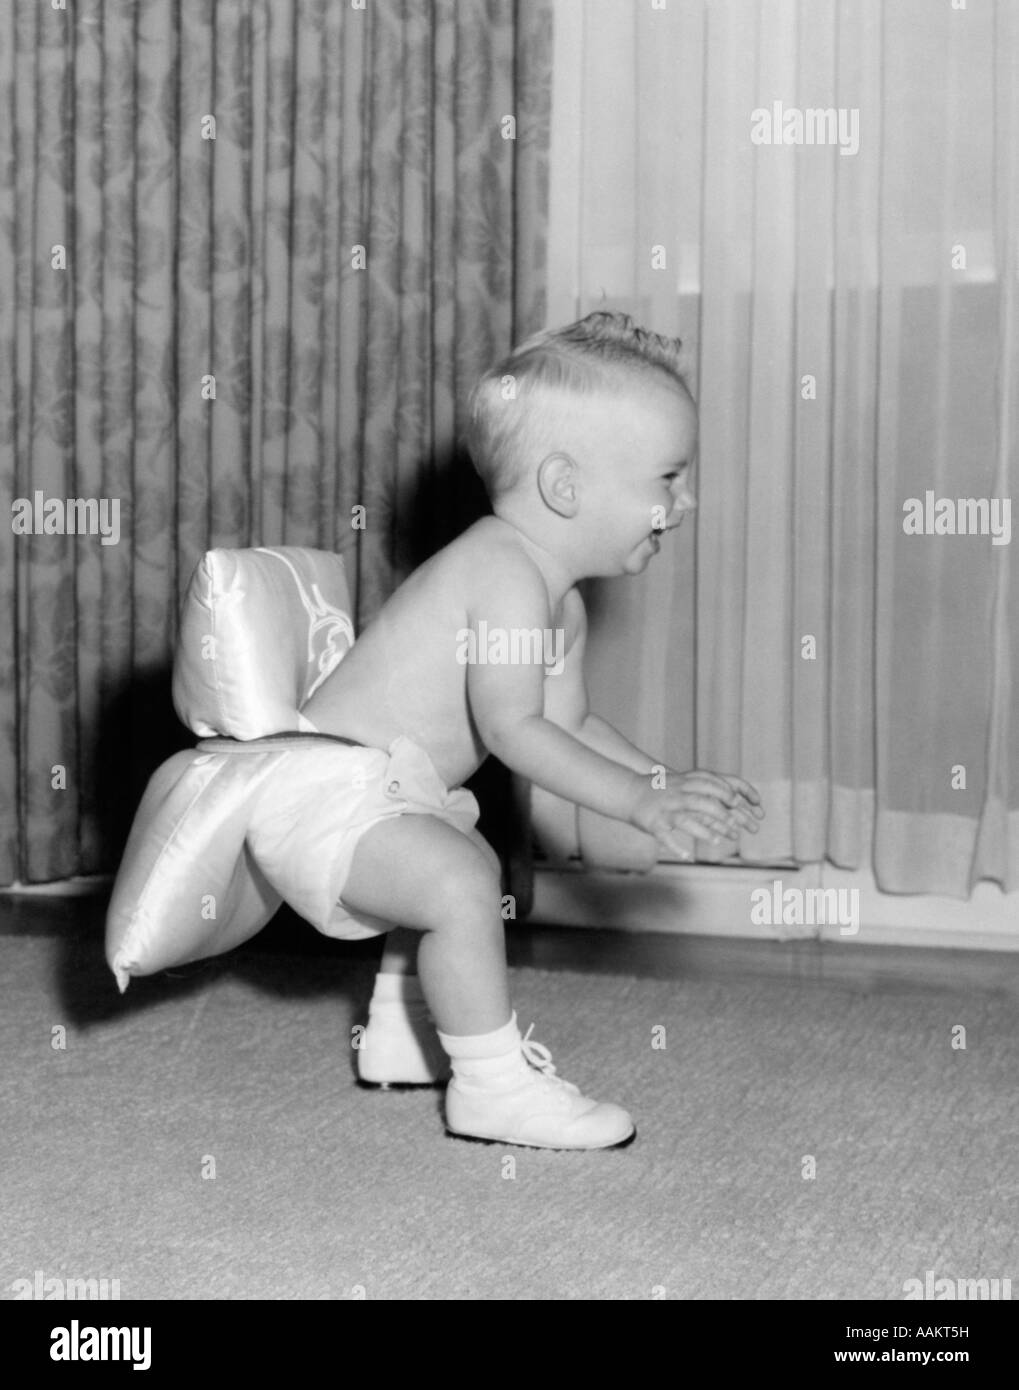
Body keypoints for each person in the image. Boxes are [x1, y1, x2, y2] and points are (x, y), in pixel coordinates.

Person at [255, 311, 764, 1150]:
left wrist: (661, 782)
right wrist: (636, 804)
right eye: (668, 478)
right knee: (459, 878)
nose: (686, 501)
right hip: (315, 790)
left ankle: (404, 1032)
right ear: (564, 486)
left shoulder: (556, 598)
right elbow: (515, 731)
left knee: (447, 858)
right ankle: (491, 1089)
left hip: (373, 791)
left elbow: (568, 724)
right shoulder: (501, 572)